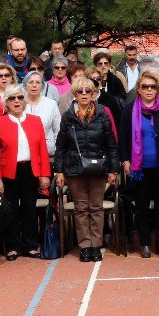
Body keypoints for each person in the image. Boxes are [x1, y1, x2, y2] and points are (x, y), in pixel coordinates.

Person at [54, 76, 119, 262]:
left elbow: (111, 145)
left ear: (94, 94)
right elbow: (61, 146)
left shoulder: (102, 114)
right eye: (80, 91)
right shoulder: (68, 116)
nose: (84, 94)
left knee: (96, 208)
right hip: (74, 169)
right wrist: (59, 171)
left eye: (88, 91)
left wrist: (113, 170)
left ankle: (96, 246)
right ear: (74, 94)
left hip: (99, 168)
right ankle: (84, 246)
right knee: (81, 208)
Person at [118, 69, 159, 258]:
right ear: (138, 88)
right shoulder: (129, 110)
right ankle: (145, 244)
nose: (148, 90)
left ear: (157, 89)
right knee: (142, 207)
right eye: (144, 86)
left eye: (153, 86)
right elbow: (123, 138)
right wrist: (126, 160)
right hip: (140, 168)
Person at [0, 85, 51, 259]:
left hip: (31, 170)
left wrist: (44, 174)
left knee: (29, 209)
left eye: (20, 97)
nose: (17, 101)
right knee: (10, 210)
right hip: (8, 171)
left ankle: (30, 245)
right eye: (12, 99)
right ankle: (12, 246)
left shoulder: (35, 120)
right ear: (6, 103)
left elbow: (42, 149)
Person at [22, 70, 61, 156]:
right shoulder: (20, 104)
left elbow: (58, 129)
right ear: (25, 85)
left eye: (38, 82)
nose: (34, 85)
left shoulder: (51, 104)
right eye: (30, 82)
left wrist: (54, 147)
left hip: (47, 153)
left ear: (42, 86)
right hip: (25, 154)